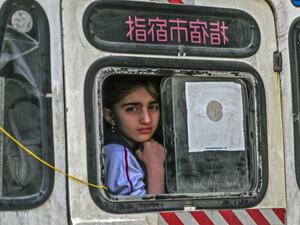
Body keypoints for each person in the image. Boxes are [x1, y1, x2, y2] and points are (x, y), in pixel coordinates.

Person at [102, 75, 166, 196]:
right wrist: (155, 166)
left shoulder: (136, 145)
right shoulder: (119, 155)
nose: (147, 120)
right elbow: (145, 213)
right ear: (110, 116)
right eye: (132, 109)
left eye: (153, 107)